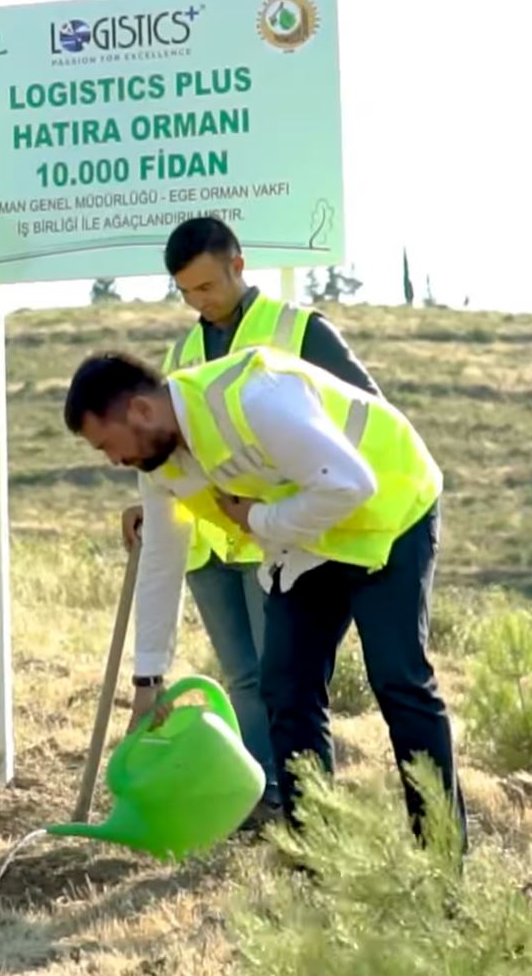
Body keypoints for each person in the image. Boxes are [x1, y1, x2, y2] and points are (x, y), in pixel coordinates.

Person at [64, 348, 467, 848]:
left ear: (140, 411)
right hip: (305, 541)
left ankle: (442, 854)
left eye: (109, 445)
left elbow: (351, 484)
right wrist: (148, 678)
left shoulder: (257, 397)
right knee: (286, 689)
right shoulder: (160, 469)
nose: (115, 462)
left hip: (388, 511)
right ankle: (314, 854)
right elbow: (161, 565)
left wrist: (258, 521)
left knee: (398, 681)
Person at [119, 216, 382, 821]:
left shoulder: (299, 331)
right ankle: (261, 799)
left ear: (238, 266)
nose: (198, 302)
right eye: (185, 292)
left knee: (285, 681)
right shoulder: (182, 351)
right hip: (211, 544)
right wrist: (148, 499)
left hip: (282, 539)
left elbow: (364, 414)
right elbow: (172, 444)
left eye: (206, 287)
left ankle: (308, 803)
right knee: (241, 680)